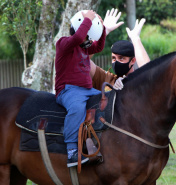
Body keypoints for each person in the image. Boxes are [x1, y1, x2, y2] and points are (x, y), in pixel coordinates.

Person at [55, 9, 107, 167]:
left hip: (87, 90)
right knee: (77, 108)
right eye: (87, 34)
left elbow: (98, 47)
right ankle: (72, 151)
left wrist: (103, 28)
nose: (89, 39)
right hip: (68, 90)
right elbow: (78, 37)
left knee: (107, 100)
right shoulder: (63, 43)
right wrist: (88, 19)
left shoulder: (84, 47)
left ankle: (97, 139)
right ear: (80, 29)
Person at [90, 18, 150, 91]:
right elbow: (81, 58)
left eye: (121, 58)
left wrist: (135, 39)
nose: (116, 62)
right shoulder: (106, 78)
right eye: (114, 58)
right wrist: (104, 32)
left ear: (133, 60)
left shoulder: (139, 80)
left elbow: (149, 71)